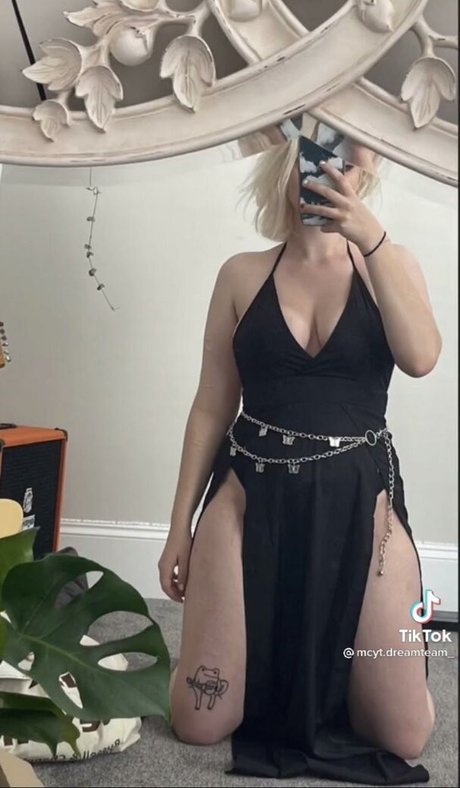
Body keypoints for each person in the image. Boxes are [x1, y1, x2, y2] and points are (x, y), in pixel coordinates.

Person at [158, 136, 441, 785]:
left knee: (404, 735)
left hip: (362, 505)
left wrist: (370, 239)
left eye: (351, 155)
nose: (333, 169)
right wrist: (178, 527)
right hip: (247, 500)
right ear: (287, 157)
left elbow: (422, 358)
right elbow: (211, 405)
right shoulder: (241, 274)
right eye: (319, 151)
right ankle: (235, 650)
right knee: (198, 722)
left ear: (371, 162)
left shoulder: (392, 261)